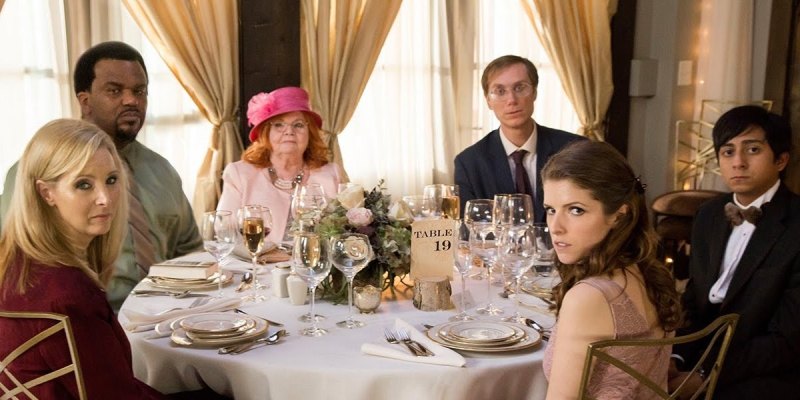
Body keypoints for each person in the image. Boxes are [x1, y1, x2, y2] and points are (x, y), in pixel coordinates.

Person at [0, 41, 202, 312]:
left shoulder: (162, 170)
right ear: (85, 101)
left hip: (168, 318)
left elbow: (190, 252)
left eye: (139, 91)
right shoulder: (38, 171)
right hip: (83, 318)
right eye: (114, 90)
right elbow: (18, 265)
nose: (131, 101)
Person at [0, 119, 164, 398]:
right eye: (83, 184)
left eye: (111, 180)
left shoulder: (13, 265)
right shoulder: (70, 293)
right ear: (46, 193)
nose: (105, 199)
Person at [670, 105, 800, 399]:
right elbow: (694, 299)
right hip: (702, 352)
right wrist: (675, 357)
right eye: (728, 152)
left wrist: (705, 375)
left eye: (752, 150)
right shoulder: (708, 214)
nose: (738, 162)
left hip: (769, 371)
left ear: (781, 160)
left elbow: (788, 339)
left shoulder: (796, 224)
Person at [541, 140, 682, 399]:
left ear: (618, 215)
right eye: (550, 210)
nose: (555, 227)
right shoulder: (646, 272)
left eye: (575, 210)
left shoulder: (588, 298)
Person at [454, 55, 584, 222]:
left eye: (520, 88)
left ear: (534, 92)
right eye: (500, 91)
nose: (511, 100)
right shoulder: (469, 163)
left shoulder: (574, 149)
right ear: (488, 101)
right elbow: (470, 229)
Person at [217, 86, 342, 243]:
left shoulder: (331, 174)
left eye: (298, 125)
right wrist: (267, 254)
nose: (289, 131)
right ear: (266, 134)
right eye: (278, 125)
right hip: (256, 258)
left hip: (315, 258)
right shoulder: (239, 174)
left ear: (310, 134)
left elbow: (344, 232)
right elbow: (224, 231)